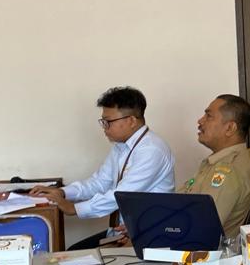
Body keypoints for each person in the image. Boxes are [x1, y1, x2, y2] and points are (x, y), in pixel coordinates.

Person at [31, 86, 175, 248]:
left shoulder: (152, 150)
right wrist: (63, 193)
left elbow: (122, 195)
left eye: (108, 122)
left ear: (131, 121)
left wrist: (74, 209)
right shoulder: (121, 146)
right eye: (103, 122)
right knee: (75, 250)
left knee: (77, 255)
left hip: (150, 233)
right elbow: (99, 182)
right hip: (127, 230)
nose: (104, 128)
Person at [178, 94, 250, 240]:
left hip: (204, 251)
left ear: (230, 128)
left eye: (209, 116)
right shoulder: (216, 162)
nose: (200, 121)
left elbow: (202, 226)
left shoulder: (228, 170)